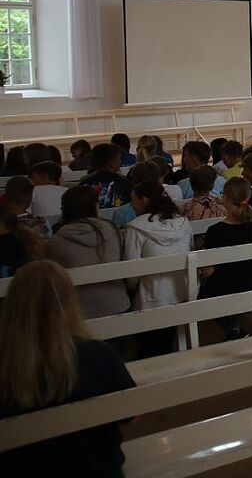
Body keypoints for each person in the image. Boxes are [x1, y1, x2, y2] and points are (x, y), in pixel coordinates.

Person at [0, 261, 136, 476]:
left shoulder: (7, 365)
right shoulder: (98, 355)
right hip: (98, 469)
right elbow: (129, 413)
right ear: (70, 303)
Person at [122, 179, 193, 356]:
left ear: (144, 200)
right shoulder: (182, 222)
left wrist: (131, 289)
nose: (131, 204)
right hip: (181, 291)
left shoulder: (135, 228)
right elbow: (190, 251)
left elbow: (132, 273)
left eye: (133, 200)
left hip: (150, 296)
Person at [199, 178, 252, 340]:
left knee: (201, 285)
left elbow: (207, 272)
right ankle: (235, 327)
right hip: (250, 282)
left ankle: (233, 329)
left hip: (221, 288)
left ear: (225, 198)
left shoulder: (215, 231)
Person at [45, 186, 130, 319]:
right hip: (117, 305)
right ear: (95, 207)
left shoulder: (57, 241)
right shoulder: (113, 231)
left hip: (76, 314)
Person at [78, 143, 131, 210]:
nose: (120, 162)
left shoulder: (84, 182)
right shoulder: (125, 183)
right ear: (112, 164)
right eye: (119, 159)